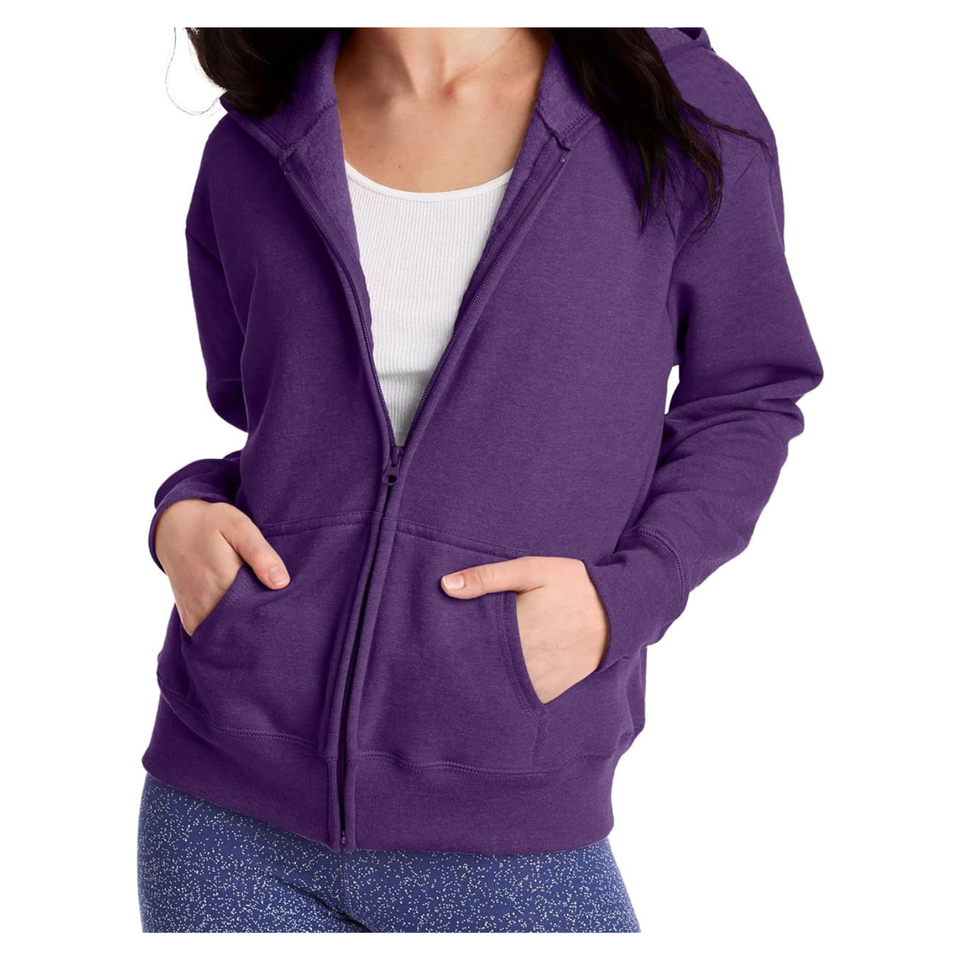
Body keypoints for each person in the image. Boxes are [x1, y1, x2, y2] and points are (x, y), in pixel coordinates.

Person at [138, 26, 824, 933]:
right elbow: (283, 429)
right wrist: (184, 511)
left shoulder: (676, 107)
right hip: (223, 821)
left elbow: (746, 396)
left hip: (510, 812)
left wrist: (626, 598)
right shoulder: (257, 138)